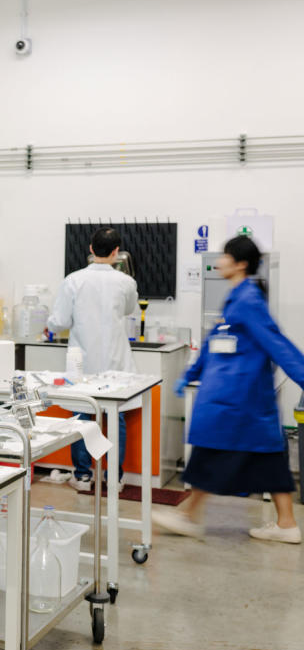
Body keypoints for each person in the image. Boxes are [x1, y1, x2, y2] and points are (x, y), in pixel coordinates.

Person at [153, 236, 303, 544]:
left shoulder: (248, 300)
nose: (219, 262)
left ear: (240, 264)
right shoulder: (236, 297)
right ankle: (287, 524)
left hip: (239, 398)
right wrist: (192, 372)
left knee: (209, 455)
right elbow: (213, 346)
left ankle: (187, 515)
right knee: (269, 459)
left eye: (225, 256)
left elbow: (277, 344)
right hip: (238, 397)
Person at [46, 227, 139, 491]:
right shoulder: (126, 282)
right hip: (116, 364)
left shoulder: (73, 280)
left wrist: (50, 323)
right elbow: (130, 309)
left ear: (90, 249)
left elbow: (60, 321)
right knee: (116, 418)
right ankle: (115, 479)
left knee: (81, 417)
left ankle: (84, 476)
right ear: (116, 252)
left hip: (83, 363)